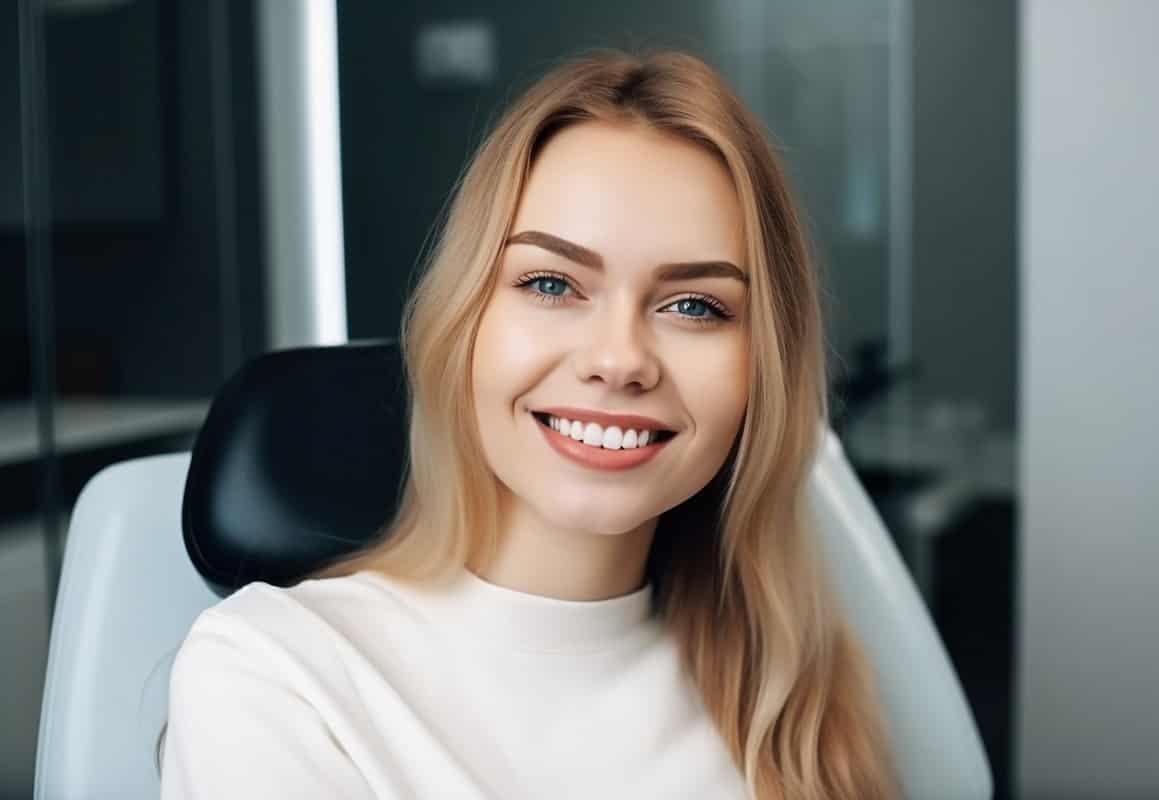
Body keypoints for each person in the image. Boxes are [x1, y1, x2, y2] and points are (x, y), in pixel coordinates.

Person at [159, 49, 898, 799]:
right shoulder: (279, 676)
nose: (618, 360)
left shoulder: (794, 700)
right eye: (551, 283)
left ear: (763, 369)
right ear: (463, 324)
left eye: (695, 306)